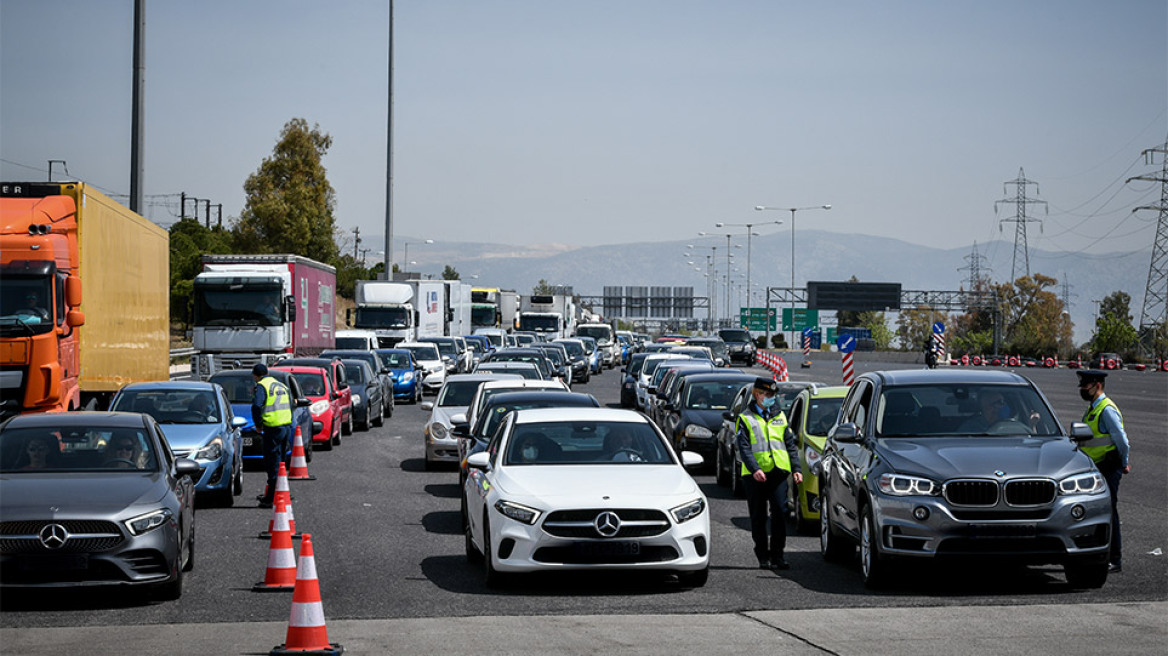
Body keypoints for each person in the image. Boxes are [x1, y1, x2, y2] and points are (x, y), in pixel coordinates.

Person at [736, 377, 801, 571]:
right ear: (757, 395)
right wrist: (755, 468)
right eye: (767, 394)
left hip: (778, 473)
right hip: (754, 476)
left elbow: (789, 444)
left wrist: (796, 469)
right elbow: (744, 448)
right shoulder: (745, 418)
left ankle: (778, 555)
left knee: (781, 513)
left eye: (773, 395)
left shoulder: (780, 416)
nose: (771, 398)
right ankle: (763, 556)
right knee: (758, 516)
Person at [1076, 370, 1131, 573]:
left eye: (1086, 385)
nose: (1083, 389)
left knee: (1109, 511)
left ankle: (1115, 559)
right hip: (1095, 466)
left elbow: (1122, 441)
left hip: (1108, 466)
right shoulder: (1093, 408)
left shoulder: (1106, 410)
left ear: (1097, 385)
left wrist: (1124, 463)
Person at [252, 363, 293, 508]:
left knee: (272, 462)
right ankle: (283, 491)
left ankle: (271, 498)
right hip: (285, 426)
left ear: (256, 376)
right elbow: (291, 404)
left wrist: (258, 424)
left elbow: (257, 406)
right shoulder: (280, 385)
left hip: (272, 427)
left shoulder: (262, 386)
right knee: (281, 462)